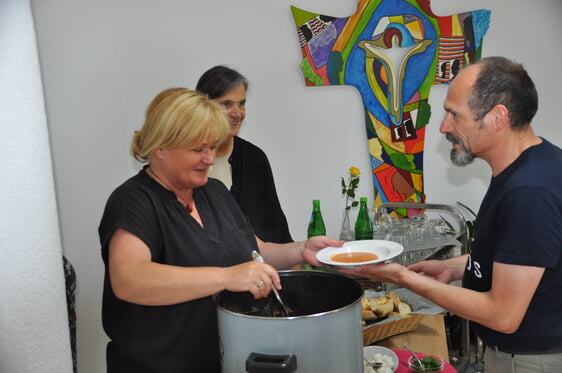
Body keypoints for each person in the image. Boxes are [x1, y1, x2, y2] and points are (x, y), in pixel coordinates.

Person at [342, 57, 562, 372]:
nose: (444, 127)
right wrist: (453, 268)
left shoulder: (529, 193)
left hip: (529, 361)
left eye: (454, 114)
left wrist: (403, 278)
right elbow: (523, 259)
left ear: (497, 118)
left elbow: (503, 315)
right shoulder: (536, 163)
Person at [98, 88, 339, 373]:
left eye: (213, 147)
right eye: (198, 149)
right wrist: (226, 277)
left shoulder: (213, 191)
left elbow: (253, 251)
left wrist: (300, 249)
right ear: (159, 147)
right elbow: (130, 279)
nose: (210, 159)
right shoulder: (134, 201)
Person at [196, 65, 293, 243]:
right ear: (203, 106)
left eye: (242, 104)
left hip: (261, 264)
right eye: (226, 104)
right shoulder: (187, 164)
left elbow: (276, 228)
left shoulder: (255, 158)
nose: (238, 113)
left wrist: (299, 264)